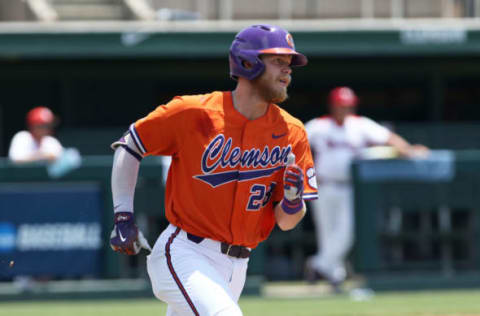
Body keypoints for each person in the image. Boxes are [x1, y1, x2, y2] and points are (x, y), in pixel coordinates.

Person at [109, 24, 318, 316]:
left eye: (290, 64)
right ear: (248, 62)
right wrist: (123, 215)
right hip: (185, 252)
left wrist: (293, 201)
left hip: (238, 266)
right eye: (279, 62)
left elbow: (286, 221)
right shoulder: (195, 111)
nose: (288, 71)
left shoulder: (292, 132)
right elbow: (130, 145)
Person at [304, 86, 429, 292]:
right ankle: (335, 276)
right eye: (340, 105)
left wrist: (409, 150)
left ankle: (319, 265)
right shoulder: (318, 125)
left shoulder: (360, 125)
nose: (344, 109)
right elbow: (293, 142)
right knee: (327, 233)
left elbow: (389, 138)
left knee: (347, 232)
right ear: (332, 106)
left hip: (351, 186)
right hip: (324, 185)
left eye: (347, 106)